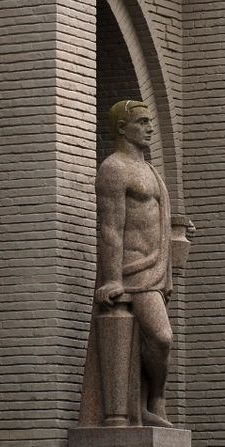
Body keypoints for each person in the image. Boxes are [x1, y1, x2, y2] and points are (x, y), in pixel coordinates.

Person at [79, 101, 186, 427]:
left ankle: (152, 401)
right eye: (141, 122)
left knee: (156, 340)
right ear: (122, 128)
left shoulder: (151, 170)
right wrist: (112, 278)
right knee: (162, 336)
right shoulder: (114, 168)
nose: (149, 128)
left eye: (150, 122)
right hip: (131, 268)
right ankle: (153, 401)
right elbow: (111, 227)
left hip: (155, 268)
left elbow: (157, 220)